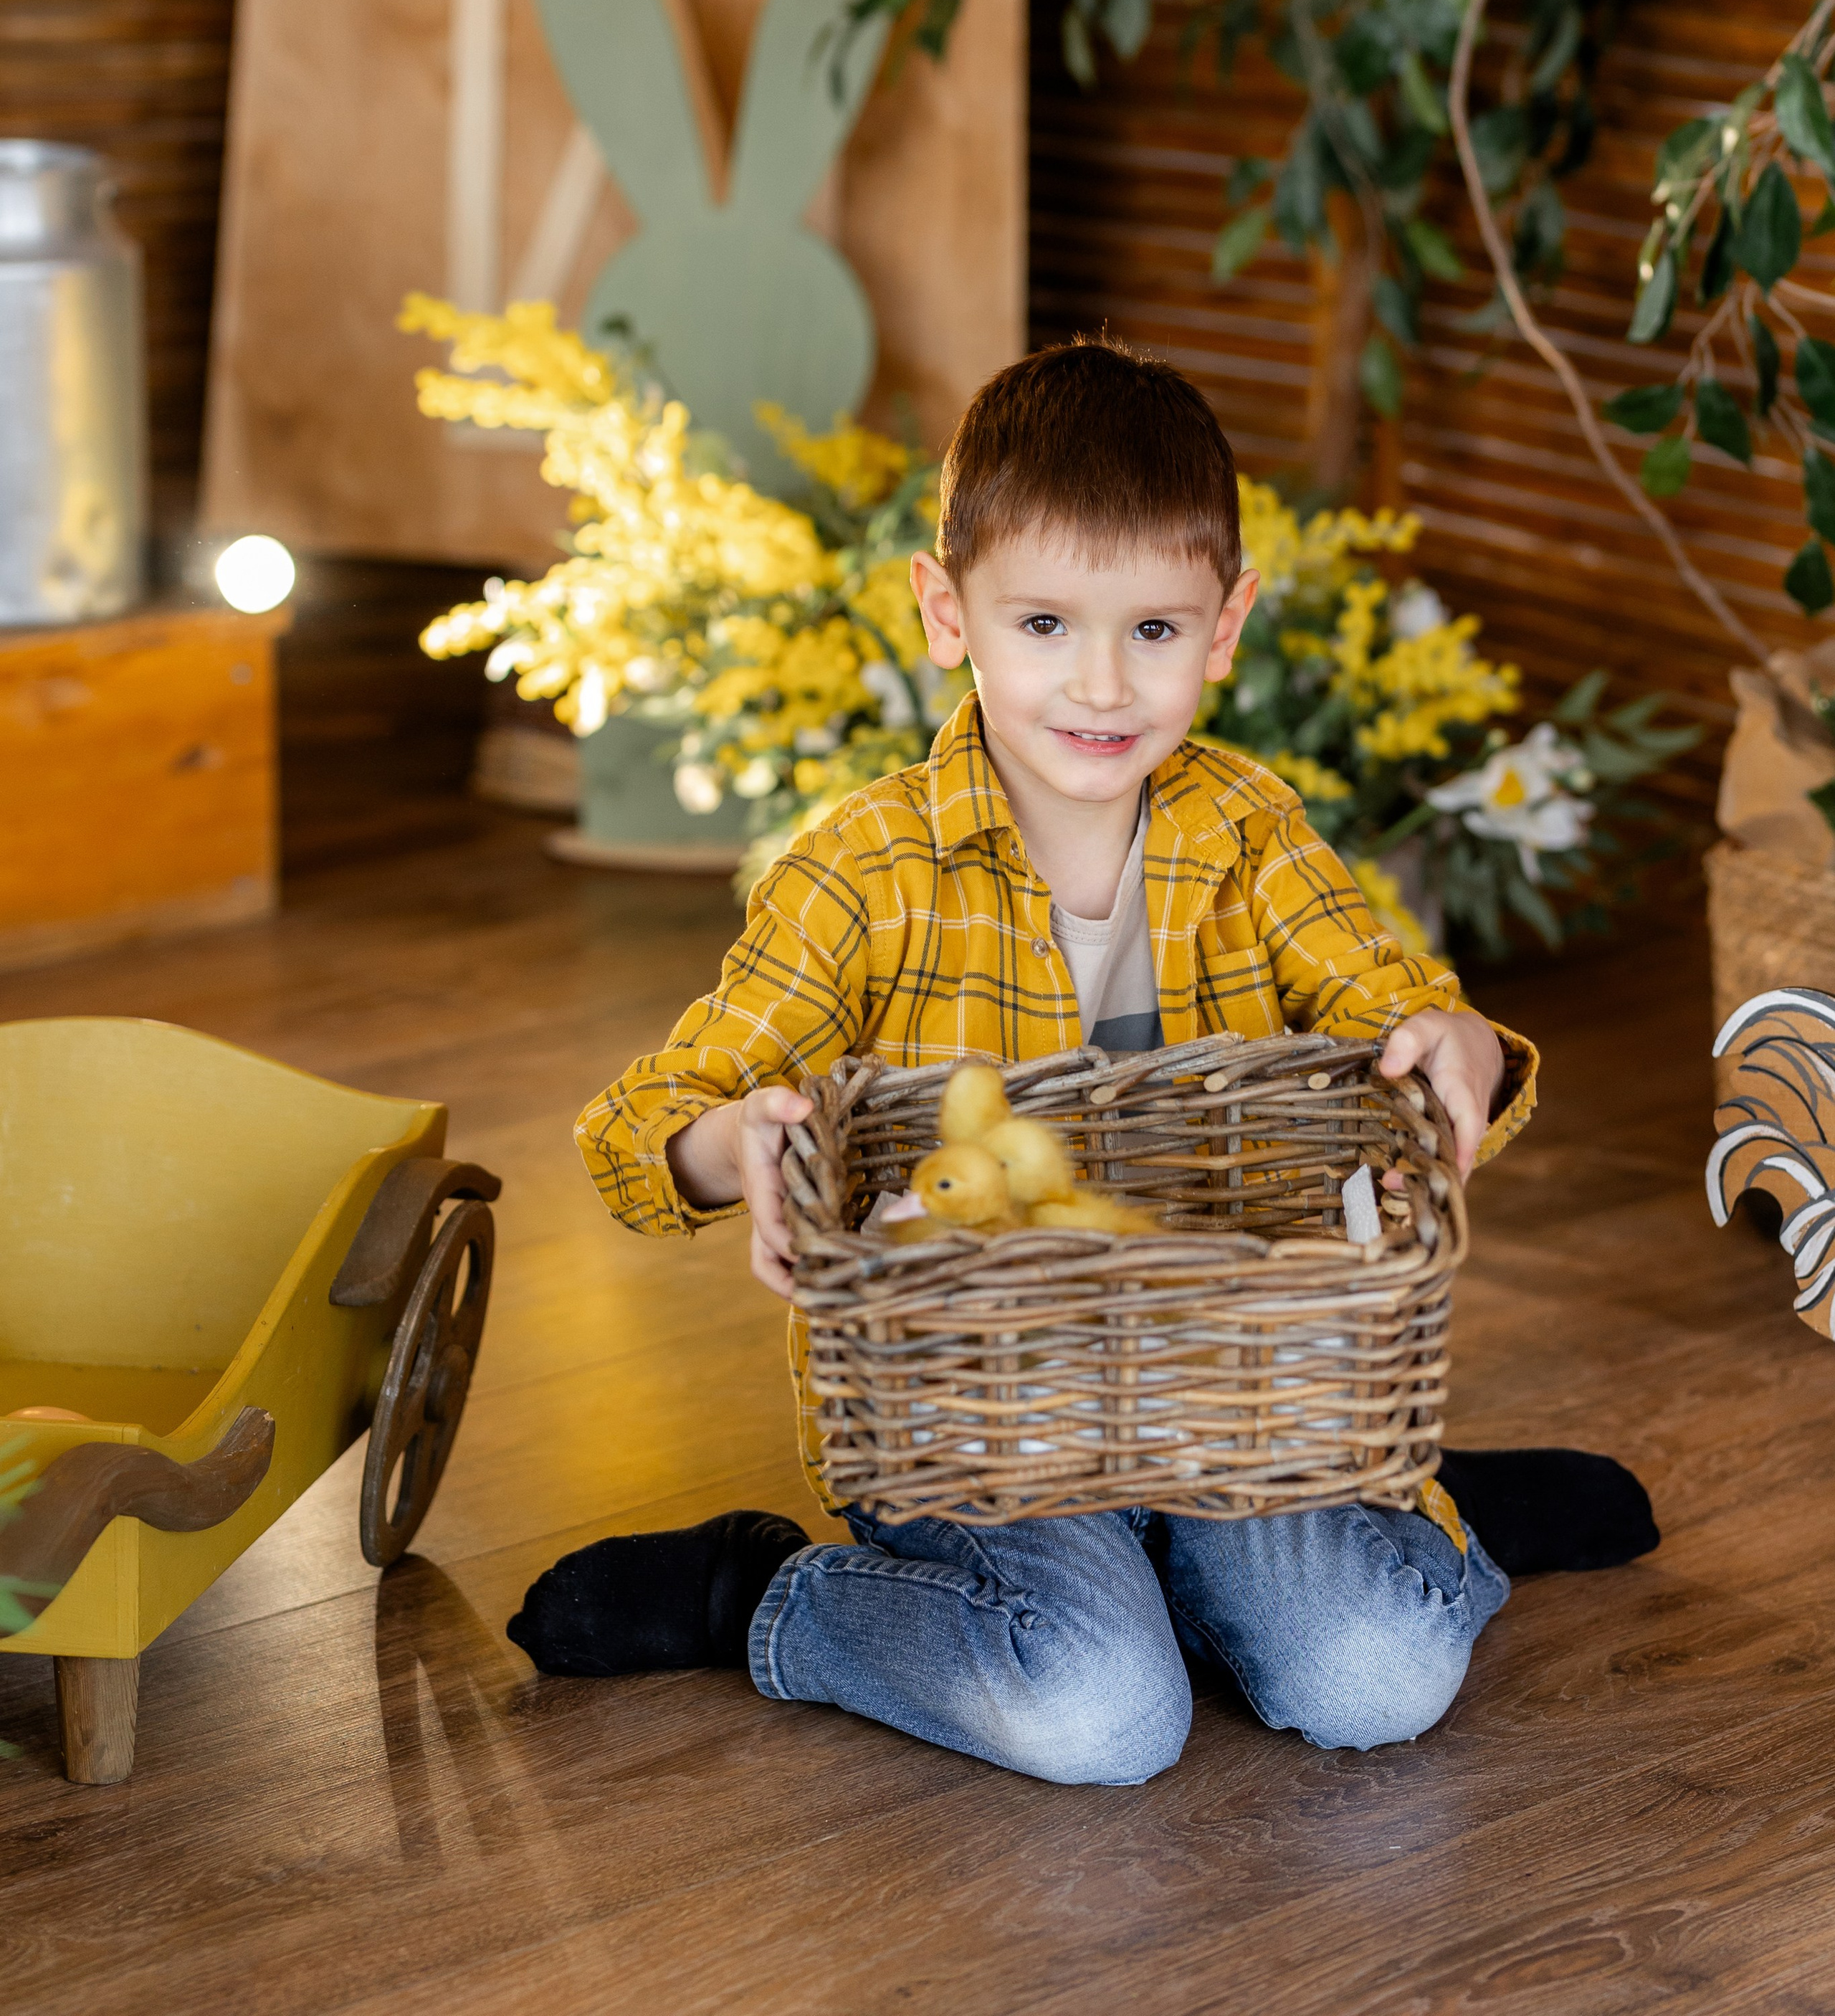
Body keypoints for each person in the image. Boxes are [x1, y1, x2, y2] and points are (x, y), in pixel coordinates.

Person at [509, 338, 1652, 1782]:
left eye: (1154, 632)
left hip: (1228, 1395)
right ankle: (765, 1596)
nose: (1099, 684)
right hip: (978, 1424)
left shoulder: (1245, 828)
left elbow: (1386, 994)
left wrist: (1451, 1039)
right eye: (1043, 623)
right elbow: (641, 1121)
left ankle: (1413, 1518)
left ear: (1224, 626)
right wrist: (729, 1147)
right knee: (1099, 1719)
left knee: (1375, 1678)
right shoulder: (861, 873)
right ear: (947, 612)